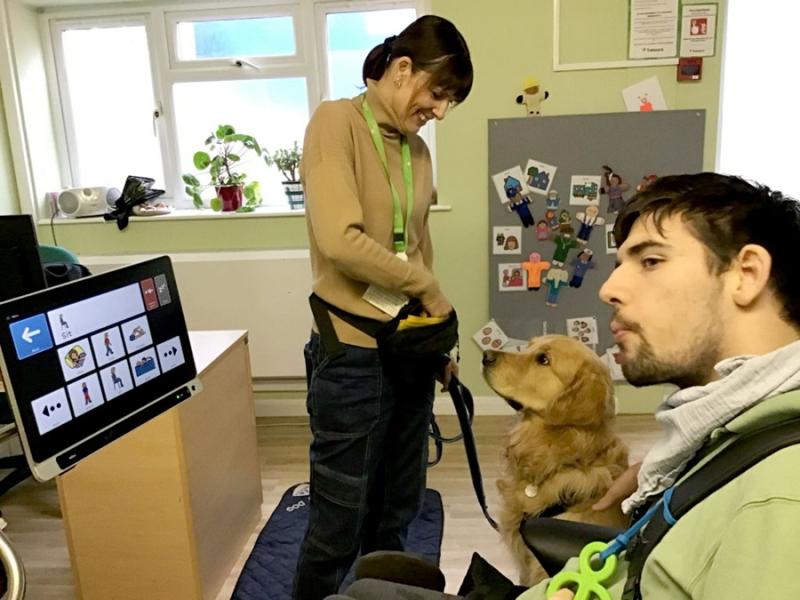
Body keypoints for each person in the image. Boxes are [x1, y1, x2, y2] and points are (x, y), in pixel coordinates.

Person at [334, 173, 800, 599]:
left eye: (651, 260)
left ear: (747, 274)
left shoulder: (780, 499)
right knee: (369, 588)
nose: (609, 288)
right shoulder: (723, 438)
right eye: (620, 264)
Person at [294, 15, 473, 600]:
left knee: (397, 512)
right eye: (438, 94)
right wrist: (426, 288)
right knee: (337, 523)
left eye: (450, 102)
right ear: (402, 70)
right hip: (351, 357)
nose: (441, 111)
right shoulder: (335, 123)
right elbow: (341, 241)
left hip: (407, 354)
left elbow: (417, 243)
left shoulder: (418, 153)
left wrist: (437, 342)